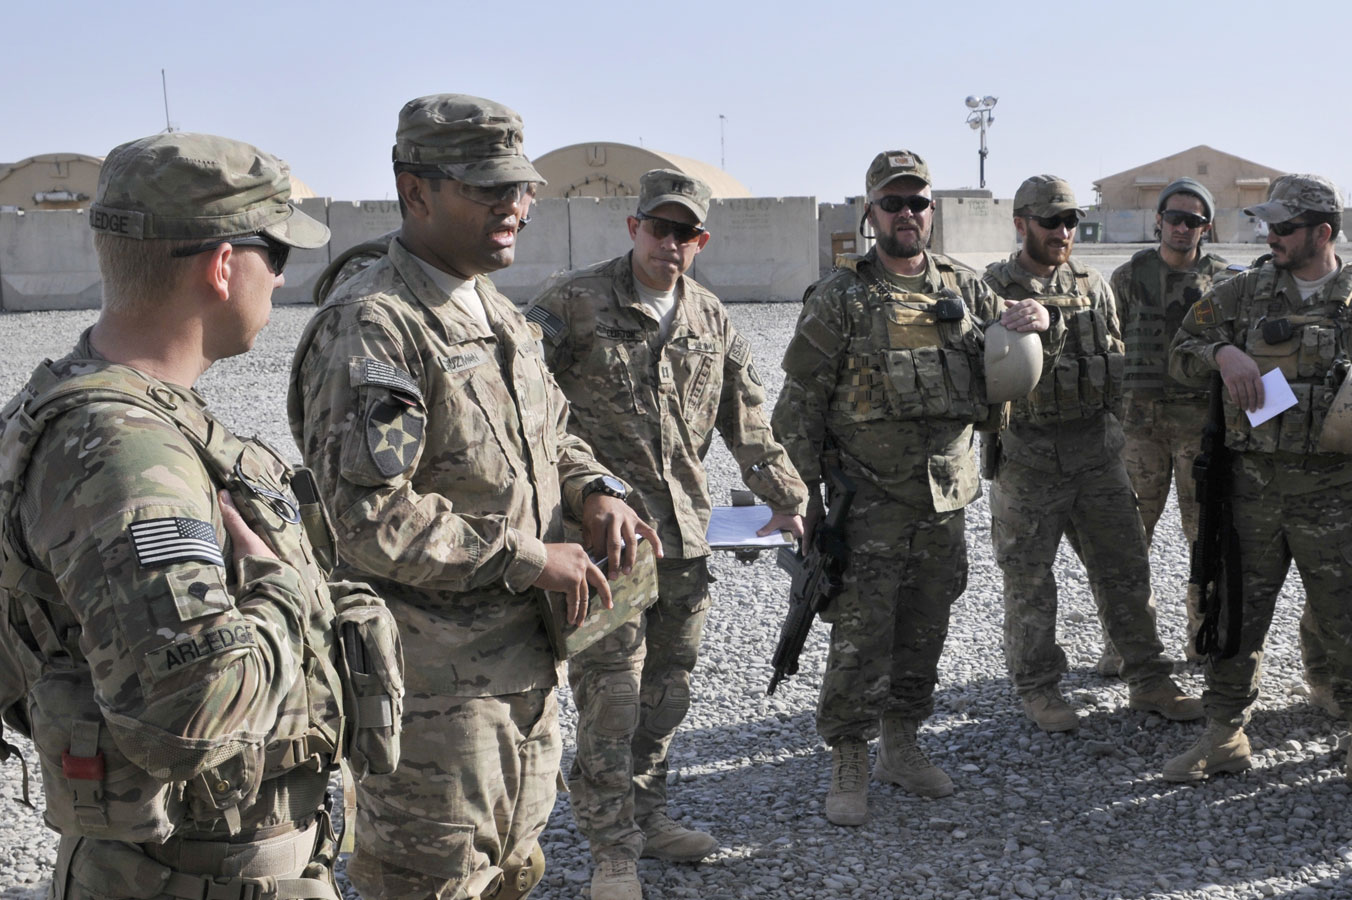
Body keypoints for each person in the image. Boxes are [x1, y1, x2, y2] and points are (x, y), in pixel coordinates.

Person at [288, 94, 660, 900]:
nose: (516, 208)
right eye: (489, 190)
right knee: (432, 882)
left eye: (521, 189)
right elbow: (367, 517)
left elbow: (552, 432)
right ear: (415, 190)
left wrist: (594, 488)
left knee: (511, 870)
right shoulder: (374, 323)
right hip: (434, 695)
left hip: (523, 671)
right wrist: (530, 558)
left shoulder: (494, 309)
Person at [0, 132, 371, 899]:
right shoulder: (125, 453)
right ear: (223, 266)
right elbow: (190, 711)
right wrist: (283, 593)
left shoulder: (109, 407)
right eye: (278, 255)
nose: (279, 280)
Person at [525, 168, 807, 900]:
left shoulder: (711, 318)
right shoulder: (573, 304)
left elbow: (746, 418)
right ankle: (610, 849)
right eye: (660, 228)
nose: (671, 244)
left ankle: (648, 815)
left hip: (685, 541)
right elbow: (524, 410)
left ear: (701, 241)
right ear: (634, 228)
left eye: (686, 233)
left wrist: (785, 497)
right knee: (611, 699)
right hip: (606, 546)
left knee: (667, 693)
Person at [771, 150, 1057, 827]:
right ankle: (849, 755)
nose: (907, 214)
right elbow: (799, 405)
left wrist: (1041, 324)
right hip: (865, 501)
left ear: (932, 211)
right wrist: (797, 501)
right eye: (892, 203)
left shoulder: (967, 289)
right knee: (860, 635)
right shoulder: (840, 297)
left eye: (917, 203)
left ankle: (902, 744)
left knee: (925, 628)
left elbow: (1009, 368)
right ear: (870, 211)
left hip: (943, 502)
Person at [1164, 173, 1352, 809]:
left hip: (1334, 498)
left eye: (1284, 228)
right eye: (1268, 227)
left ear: (1322, 233)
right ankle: (1225, 734)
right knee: (1235, 617)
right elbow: (1182, 348)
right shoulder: (1245, 291)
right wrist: (1224, 353)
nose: (1272, 237)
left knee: (1346, 624)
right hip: (1249, 493)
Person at [982, 174, 1203, 734]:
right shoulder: (991, 288)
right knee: (1030, 580)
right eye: (1050, 220)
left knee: (1125, 570)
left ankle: (1148, 679)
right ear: (1021, 224)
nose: (1063, 231)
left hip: (1097, 452)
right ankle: (1038, 688)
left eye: (1070, 221)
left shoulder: (1092, 283)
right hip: (1029, 457)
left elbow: (1118, 355)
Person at [1103, 178, 1232, 669]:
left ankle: (1204, 639)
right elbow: (1109, 346)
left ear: (1207, 226)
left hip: (1200, 430)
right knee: (1130, 540)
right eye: (1174, 217)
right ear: (1158, 220)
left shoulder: (1225, 282)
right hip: (1139, 430)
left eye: (1194, 220)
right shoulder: (1128, 277)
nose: (1183, 227)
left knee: (1207, 537)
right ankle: (1125, 645)